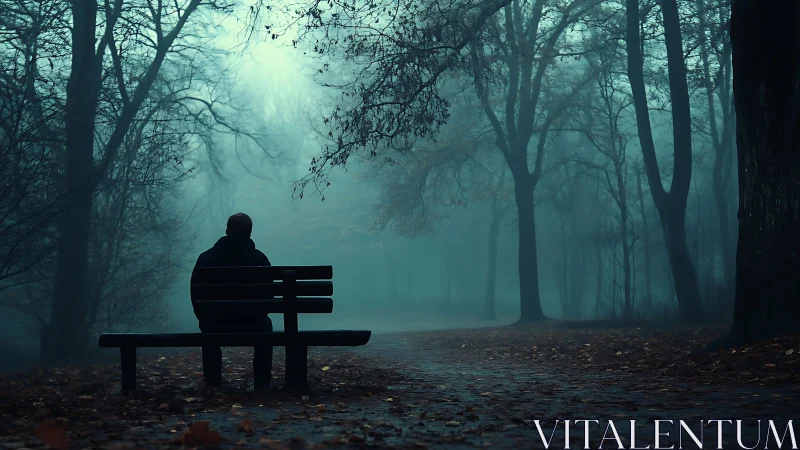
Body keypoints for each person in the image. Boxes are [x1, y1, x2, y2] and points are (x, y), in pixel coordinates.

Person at [190, 213, 273, 389]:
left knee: (207, 326)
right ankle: (262, 381)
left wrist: (204, 316)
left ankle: (212, 381)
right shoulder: (260, 259)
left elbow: (195, 295)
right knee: (266, 325)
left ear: (227, 230)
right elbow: (268, 298)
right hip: (252, 323)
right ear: (249, 233)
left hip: (215, 323)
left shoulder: (206, 258)